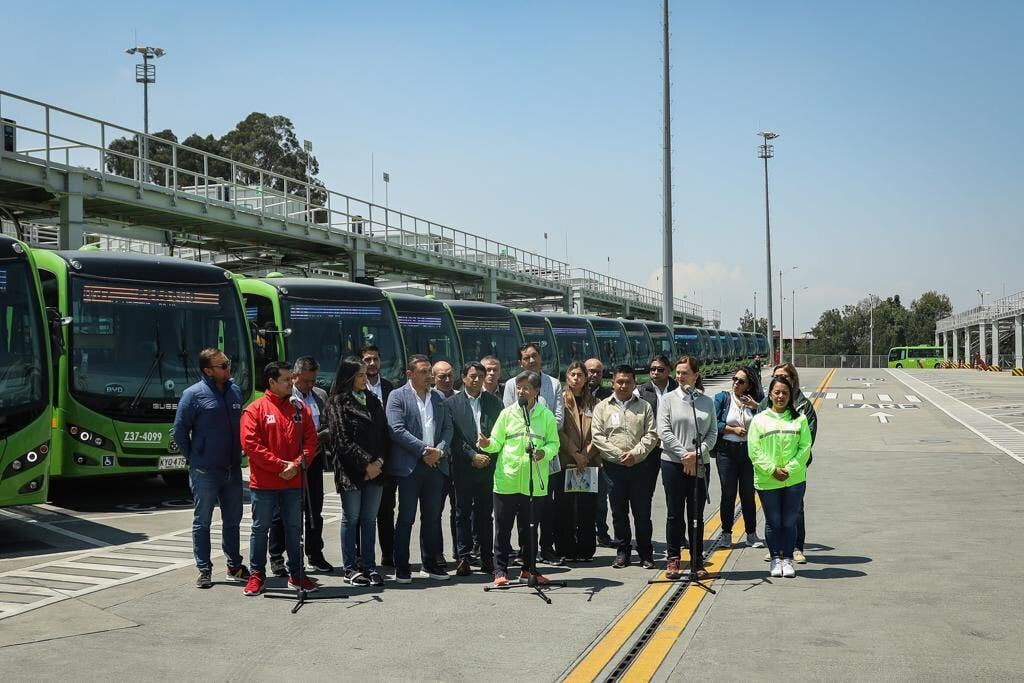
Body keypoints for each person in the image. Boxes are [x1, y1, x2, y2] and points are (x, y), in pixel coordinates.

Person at [239, 362, 319, 596]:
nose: (290, 383)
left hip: (293, 482)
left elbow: (311, 441)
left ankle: (297, 574)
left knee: (295, 529)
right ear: (271, 382)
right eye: (285, 379)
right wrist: (280, 466)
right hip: (264, 484)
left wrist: (295, 465)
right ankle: (257, 576)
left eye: (291, 379)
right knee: (260, 529)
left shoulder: (298, 408)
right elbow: (251, 445)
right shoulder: (255, 409)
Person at [172, 348, 248, 589]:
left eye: (228, 363)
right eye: (222, 366)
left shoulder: (234, 391)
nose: (228, 368)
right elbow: (179, 432)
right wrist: (195, 457)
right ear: (207, 370)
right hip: (205, 470)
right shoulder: (192, 395)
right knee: (202, 521)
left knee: (233, 520)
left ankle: (234, 565)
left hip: (232, 468)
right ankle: (204, 568)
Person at [478, 371, 560, 587]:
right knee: (503, 528)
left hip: (534, 482)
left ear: (536, 391)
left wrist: (544, 452)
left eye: (526, 388)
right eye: (519, 387)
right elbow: (496, 442)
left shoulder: (546, 416)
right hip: (507, 480)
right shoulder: (507, 414)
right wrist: (487, 444)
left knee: (530, 528)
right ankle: (500, 571)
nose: (521, 391)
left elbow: (554, 444)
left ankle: (529, 569)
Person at [385, 354, 453, 583]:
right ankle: (402, 566)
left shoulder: (438, 398)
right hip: (410, 468)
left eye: (429, 372)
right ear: (409, 374)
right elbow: (396, 429)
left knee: (433, 518)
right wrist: (425, 450)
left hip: (435, 466)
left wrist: (439, 452)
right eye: (424, 372)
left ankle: (430, 563)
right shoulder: (397, 396)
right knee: (406, 518)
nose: (429, 376)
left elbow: (447, 429)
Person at [323, 357, 390, 587]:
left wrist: (378, 462)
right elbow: (341, 441)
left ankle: (370, 566)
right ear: (349, 377)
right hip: (352, 472)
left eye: (365, 375)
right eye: (360, 375)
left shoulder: (373, 400)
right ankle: (350, 568)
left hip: (377, 471)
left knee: (369, 520)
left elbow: (384, 435)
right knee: (351, 519)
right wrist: (366, 464)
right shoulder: (337, 403)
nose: (365, 378)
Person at [268, 357, 331, 576]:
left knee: (315, 510)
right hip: (289, 462)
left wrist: (323, 435)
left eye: (313, 381)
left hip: (313, 461)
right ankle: (277, 557)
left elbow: (325, 423)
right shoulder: (286, 396)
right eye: (305, 381)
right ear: (295, 377)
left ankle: (315, 554)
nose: (309, 386)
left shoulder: (320, 396)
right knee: (282, 512)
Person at [502, 343, 564, 564]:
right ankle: (525, 551)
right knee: (523, 508)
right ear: (520, 362)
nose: (530, 360)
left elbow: (558, 419)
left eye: (534, 356)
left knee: (546, 506)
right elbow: (509, 416)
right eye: (526, 358)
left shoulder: (554, 384)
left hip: (546, 454)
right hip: (520, 458)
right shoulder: (512, 384)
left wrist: (539, 426)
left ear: (541, 358)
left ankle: (547, 548)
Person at [592, 365, 658, 569]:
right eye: (619, 381)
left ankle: (646, 553)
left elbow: (651, 434)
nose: (623, 385)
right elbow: (597, 436)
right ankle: (623, 552)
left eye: (627, 381)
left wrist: (635, 454)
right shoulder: (602, 407)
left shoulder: (644, 406)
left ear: (634, 383)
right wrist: (619, 455)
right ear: (612, 383)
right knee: (619, 512)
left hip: (640, 467)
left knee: (642, 512)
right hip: (613, 468)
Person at [658, 356, 717, 580]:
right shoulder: (668, 399)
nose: (680, 377)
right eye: (678, 373)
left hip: (700, 464)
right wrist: (685, 455)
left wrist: (697, 454)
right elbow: (664, 430)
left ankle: (696, 560)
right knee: (675, 513)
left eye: (685, 373)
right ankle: (673, 559)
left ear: (695, 375)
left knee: (696, 515)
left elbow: (712, 432)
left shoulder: (705, 401)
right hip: (674, 463)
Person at [748, 375, 812, 579]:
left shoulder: (799, 419)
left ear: (791, 395)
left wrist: (790, 469)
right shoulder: (759, 420)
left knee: (790, 521)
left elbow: (805, 448)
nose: (781, 396)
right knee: (773, 521)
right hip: (768, 479)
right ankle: (775, 558)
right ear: (770, 395)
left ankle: (788, 559)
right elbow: (754, 450)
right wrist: (772, 469)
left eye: (785, 392)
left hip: (793, 479)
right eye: (777, 392)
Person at [445, 361, 503, 575]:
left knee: (485, 514)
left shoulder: (494, 402)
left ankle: (487, 556)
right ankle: (463, 557)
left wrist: (487, 455)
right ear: (463, 378)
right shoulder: (451, 404)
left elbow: (499, 432)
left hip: (488, 466)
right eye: (473, 376)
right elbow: (453, 436)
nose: (477, 379)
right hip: (463, 466)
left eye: (481, 375)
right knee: (462, 513)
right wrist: (472, 455)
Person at [757, 363, 817, 564]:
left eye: (784, 376)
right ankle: (776, 549)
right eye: (776, 376)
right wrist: (771, 468)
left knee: (795, 510)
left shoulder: (804, 406)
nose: (781, 379)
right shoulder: (764, 404)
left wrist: (791, 467)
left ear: (793, 379)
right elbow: (756, 442)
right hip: (770, 471)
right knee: (773, 513)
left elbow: (807, 442)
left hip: (795, 469)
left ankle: (796, 547)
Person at [554, 361, 601, 562]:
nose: (576, 378)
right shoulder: (562, 401)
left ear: (586, 378)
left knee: (587, 508)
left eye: (580, 375)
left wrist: (586, 455)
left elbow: (599, 433)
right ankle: (565, 548)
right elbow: (560, 431)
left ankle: (585, 549)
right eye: (572, 374)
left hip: (589, 462)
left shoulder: (595, 403)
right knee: (564, 508)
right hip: (567, 461)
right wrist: (576, 454)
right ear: (567, 378)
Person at [713, 366, 763, 549]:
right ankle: (726, 533)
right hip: (726, 451)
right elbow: (714, 421)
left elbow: (767, 418)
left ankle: (751, 534)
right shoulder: (723, 398)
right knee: (728, 493)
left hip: (748, 451)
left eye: (741, 381)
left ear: (749, 385)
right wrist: (732, 429)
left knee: (748, 494)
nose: (735, 383)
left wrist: (756, 407)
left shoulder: (756, 401)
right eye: (734, 379)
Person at [362, 345, 397, 568]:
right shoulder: (352, 387)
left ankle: (388, 554)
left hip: (387, 457)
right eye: (367, 359)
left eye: (375, 359)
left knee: (386, 508)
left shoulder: (389, 387)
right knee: (360, 512)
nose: (372, 363)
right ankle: (361, 556)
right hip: (362, 459)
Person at [636, 354, 678, 500]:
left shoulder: (677, 389)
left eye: (660, 370)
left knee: (673, 492)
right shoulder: (640, 391)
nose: (655, 373)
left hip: (672, 447)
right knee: (645, 492)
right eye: (652, 369)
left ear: (669, 371)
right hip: (649, 449)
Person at [586, 357, 615, 548]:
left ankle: (602, 533)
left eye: (598, 371)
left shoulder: (608, 396)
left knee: (601, 499)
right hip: (578, 454)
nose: (593, 375)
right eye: (590, 371)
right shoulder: (573, 395)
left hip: (600, 455)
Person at [432, 359, 457, 567]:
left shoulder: (460, 397)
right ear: (434, 377)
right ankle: (437, 553)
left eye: (450, 375)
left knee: (459, 511)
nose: (447, 380)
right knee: (434, 512)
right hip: (436, 464)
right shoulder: (430, 398)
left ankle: (460, 552)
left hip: (458, 464)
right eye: (442, 376)